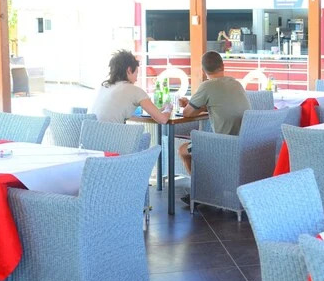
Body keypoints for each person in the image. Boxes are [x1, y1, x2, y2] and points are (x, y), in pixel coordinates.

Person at [178, 51, 250, 202]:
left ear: (203, 70)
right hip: (243, 143)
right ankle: (208, 190)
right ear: (223, 66)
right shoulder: (236, 83)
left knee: (183, 150)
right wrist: (198, 106)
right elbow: (218, 105)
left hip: (222, 145)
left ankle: (202, 192)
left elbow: (187, 113)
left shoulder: (207, 86)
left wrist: (190, 105)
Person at [90, 50, 171, 125]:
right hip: (112, 135)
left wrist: (160, 110)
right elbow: (163, 119)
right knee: (145, 135)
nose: (136, 79)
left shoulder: (104, 87)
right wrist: (168, 108)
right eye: (136, 73)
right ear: (129, 70)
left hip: (89, 134)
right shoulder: (135, 91)